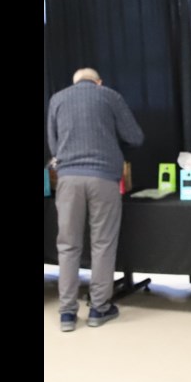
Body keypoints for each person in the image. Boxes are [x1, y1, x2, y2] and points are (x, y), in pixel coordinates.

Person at [48, 68, 144, 332]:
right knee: (103, 243)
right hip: (103, 178)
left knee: (67, 245)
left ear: (74, 83)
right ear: (99, 82)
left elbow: (54, 146)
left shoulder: (57, 99)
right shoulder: (110, 96)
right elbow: (135, 136)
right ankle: (99, 308)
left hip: (68, 179)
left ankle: (67, 314)